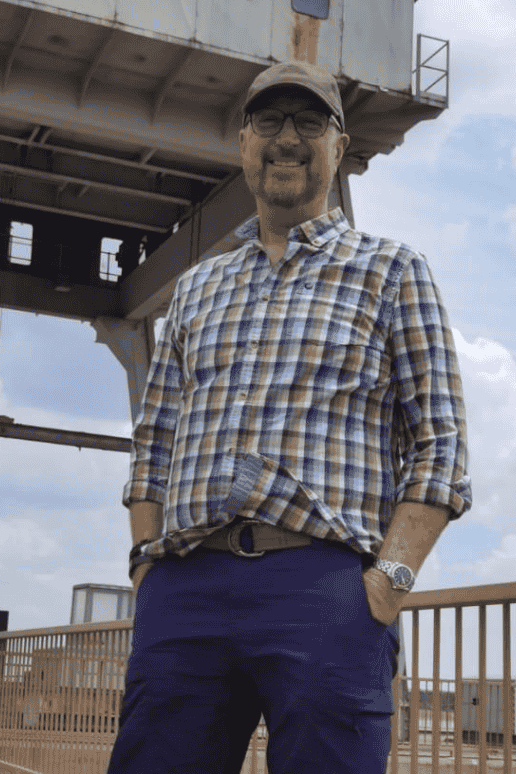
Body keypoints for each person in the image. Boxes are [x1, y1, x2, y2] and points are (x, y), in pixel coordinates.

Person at [107, 60, 471, 774]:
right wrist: (146, 570)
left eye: (309, 122)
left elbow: (441, 444)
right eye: (269, 121)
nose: (287, 138)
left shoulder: (393, 272)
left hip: (325, 587)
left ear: (339, 147)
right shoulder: (197, 287)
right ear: (244, 143)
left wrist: (387, 580)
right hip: (186, 585)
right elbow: (154, 442)